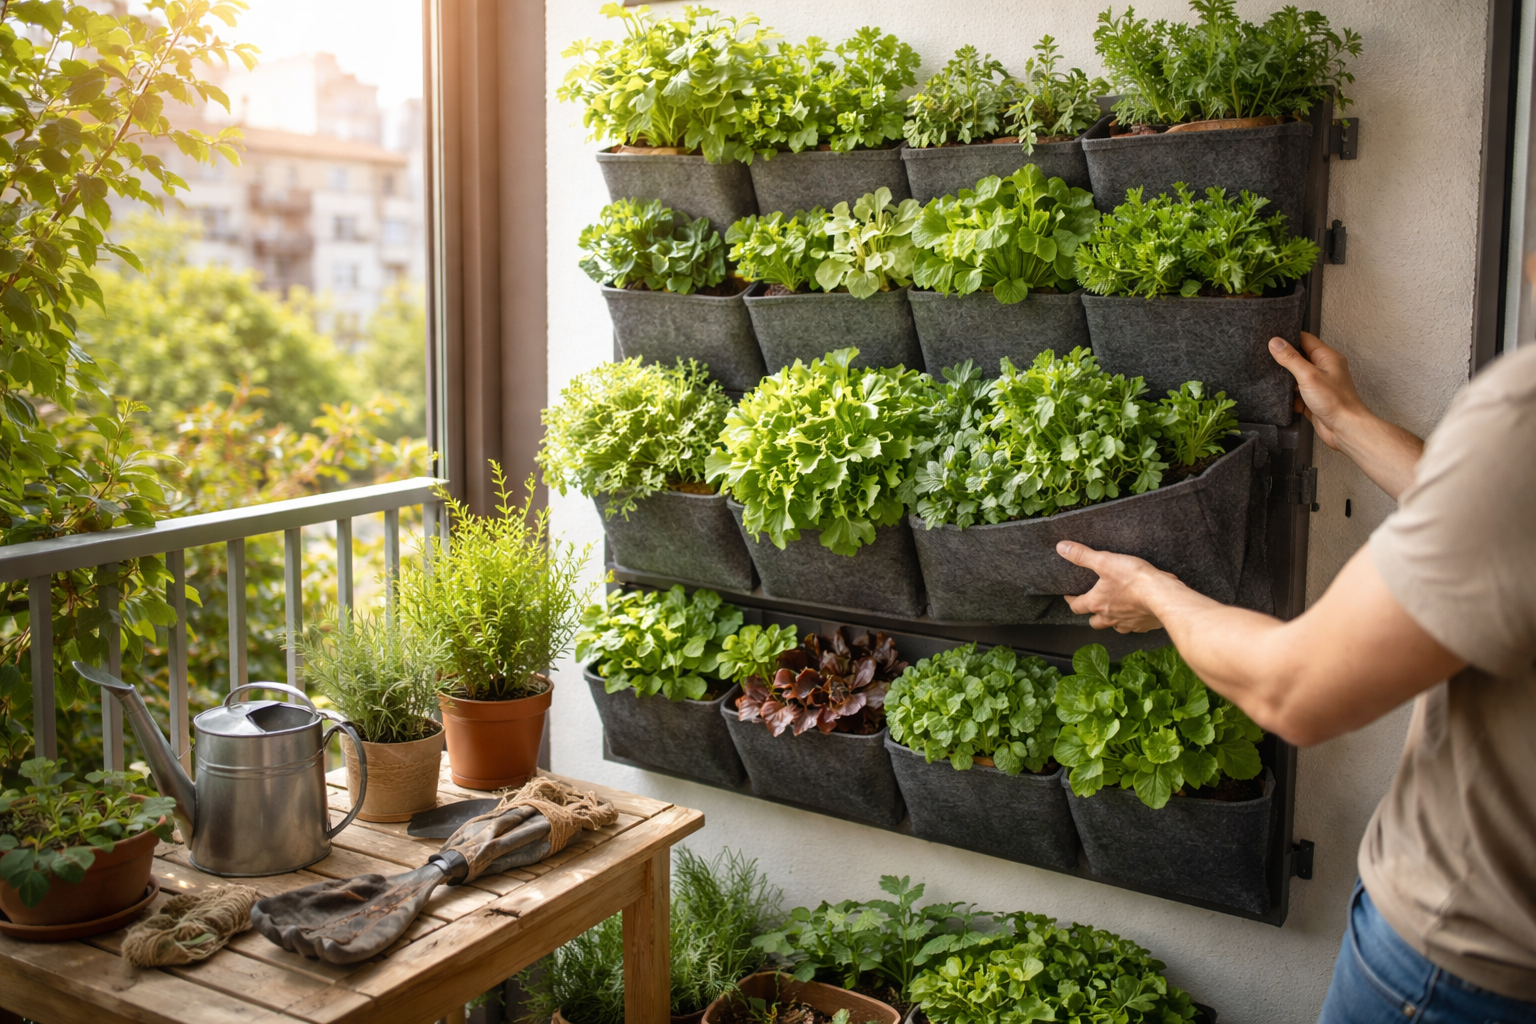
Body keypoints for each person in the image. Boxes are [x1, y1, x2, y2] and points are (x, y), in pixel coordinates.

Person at [1055, 333, 1536, 1024]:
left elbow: (1292, 690)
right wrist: (1351, 423)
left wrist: (1156, 593)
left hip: (1466, 970)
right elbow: (1498, 524)